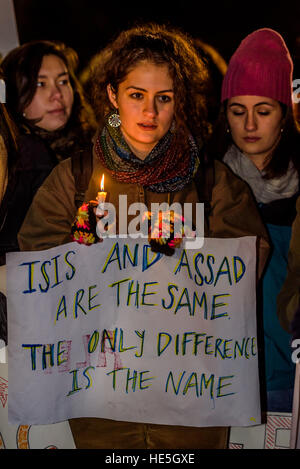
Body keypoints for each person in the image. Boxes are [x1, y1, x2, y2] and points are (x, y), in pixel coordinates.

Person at [18, 24, 269, 449]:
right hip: (101, 399)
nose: (149, 112)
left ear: (179, 101)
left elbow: (247, 264)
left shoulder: (211, 182)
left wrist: (182, 255)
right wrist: (83, 250)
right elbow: (36, 269)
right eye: (136, 95)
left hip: (190, 397)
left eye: (163, 98)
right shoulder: (74, 179)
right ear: (114, 96)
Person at [209, 28, 300, 413]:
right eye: (237, 111)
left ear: (284, 114)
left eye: (263, 111)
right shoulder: (204, 180)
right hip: (219, 374)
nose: (249, 125)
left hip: (289, 377)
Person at [0, 40, 96, 263]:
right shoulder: (26, 155)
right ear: (16, 91)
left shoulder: (88, 148)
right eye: (41, 84)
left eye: (63, 81)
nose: (57, 94)